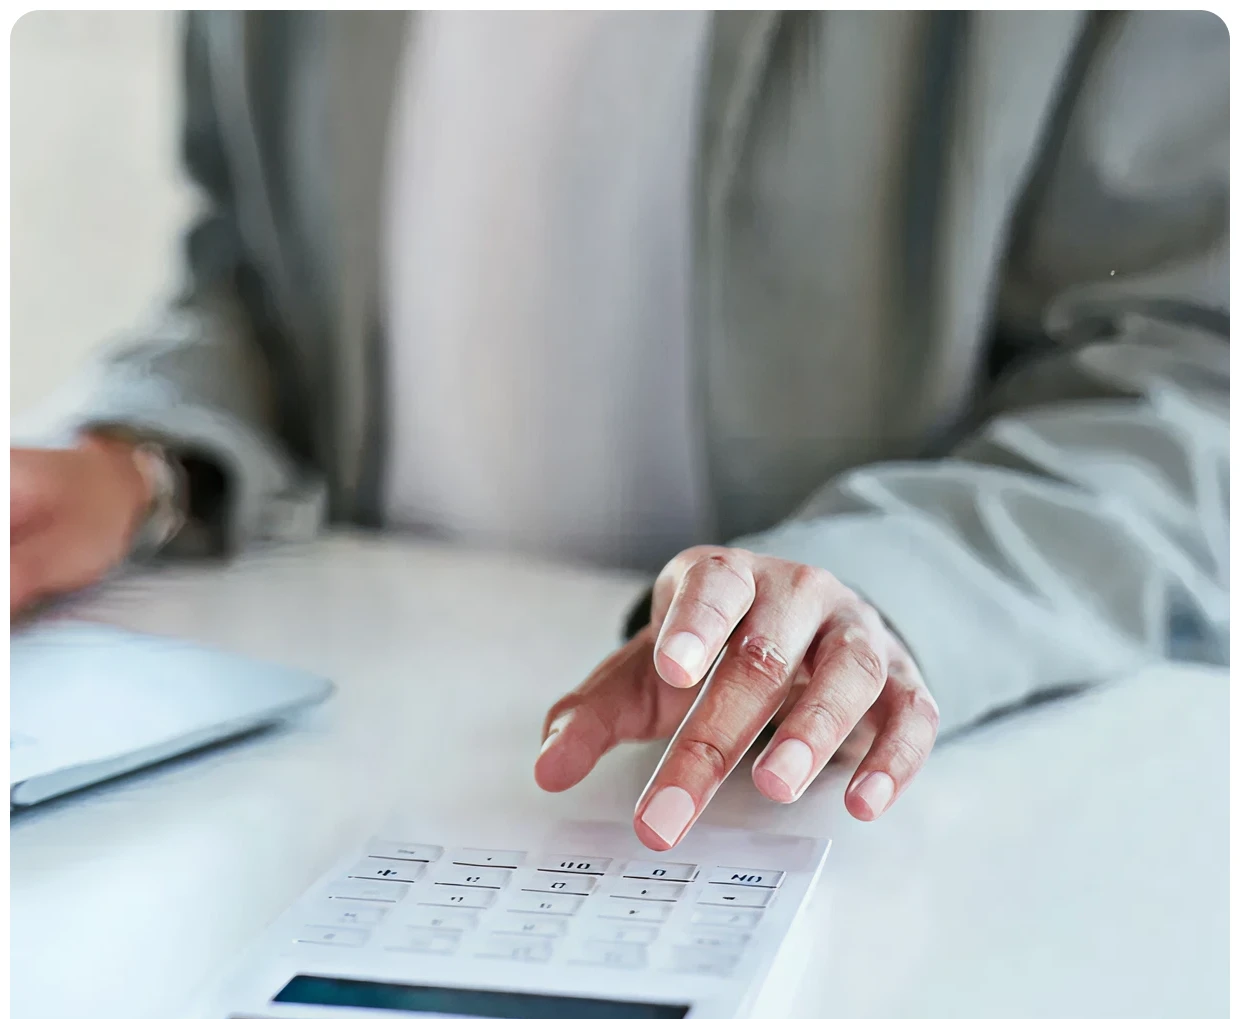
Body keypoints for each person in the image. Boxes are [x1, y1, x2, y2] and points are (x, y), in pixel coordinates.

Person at [9, 11, 1228, 850]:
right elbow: (254, 270)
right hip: (355, 748)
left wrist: (895, 583)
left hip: (850, 813)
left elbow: (1184, 368)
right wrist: (142, 459)